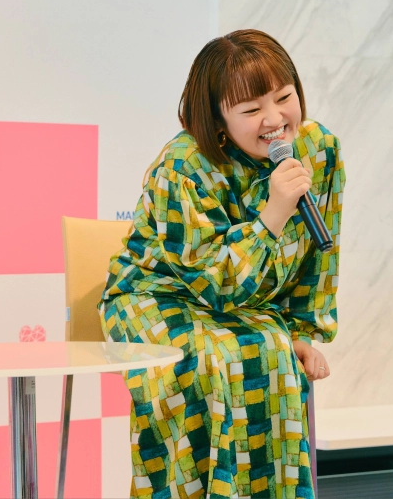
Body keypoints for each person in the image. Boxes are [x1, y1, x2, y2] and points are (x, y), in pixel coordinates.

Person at [99, 29, 345, 499]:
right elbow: (216, 287)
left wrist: (298, 331)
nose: (274, 119)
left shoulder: (319, 149)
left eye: (284, 97)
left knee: (274, 352)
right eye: (251, 110)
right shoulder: (183, 166)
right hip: (156, 296)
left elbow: (320, 253)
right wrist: (273, 214)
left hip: (245, 306)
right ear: (217, 119)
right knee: (212, 364)